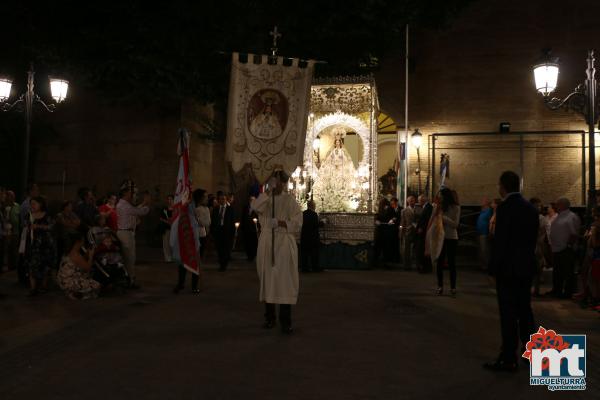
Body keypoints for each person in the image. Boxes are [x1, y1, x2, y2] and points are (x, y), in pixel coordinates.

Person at [484, 171, 538, 372]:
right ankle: (531, 352)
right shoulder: (530, 209)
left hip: (508, 269)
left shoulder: (505, 208)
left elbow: (501, 242)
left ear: (503, 186)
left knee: (508, 313)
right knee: (525, 310)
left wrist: (493, 269)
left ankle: (508, 357)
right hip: (526, 267)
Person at [251, 170, 302, 334]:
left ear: (284, 182)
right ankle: (269, 318)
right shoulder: (266, 199)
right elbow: (255, 207)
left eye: (278, 181)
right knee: (269, 281)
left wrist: (280, 222)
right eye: (273, 181)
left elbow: (297, 222)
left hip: (283, 245)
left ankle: (285, 321)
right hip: (267, 242)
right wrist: (267, 192)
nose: (276, 184)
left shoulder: (290, 200)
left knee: (284, 282)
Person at [116, 186, 150, 289]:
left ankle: (129, 279)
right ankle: (130, 281)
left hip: (126, 233)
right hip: (126, 234)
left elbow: (134, 210)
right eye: (131, 193)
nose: (133, 196)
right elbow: (140, 212)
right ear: (125, 194)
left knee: (130, 257)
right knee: (129, 258)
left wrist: (143, 203)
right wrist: (147, 203)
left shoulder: (124, 204)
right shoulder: (124, 205)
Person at [547, 197, 581, 298]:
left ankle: (567, 293)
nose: (555, 206)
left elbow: (574, 234)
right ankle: (556, 291)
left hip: (566, 249)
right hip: (558, 248)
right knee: (557, 272)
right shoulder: (560, 215)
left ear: (563, 205)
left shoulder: (571, 217)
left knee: (567, 272)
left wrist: (568, 246)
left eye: (557, 204)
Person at [22, 196, 56, 296]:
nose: (32, 205)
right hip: (33, 244)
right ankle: (33, 288)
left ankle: (43, 286)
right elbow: (25, 227)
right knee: (32, 265)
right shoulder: (28, 215)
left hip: (46, 244)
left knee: (45, 265)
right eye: (31, 204)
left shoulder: (48, 215)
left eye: (34, 203)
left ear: (41, 204)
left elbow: (52, 226)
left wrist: (39, 227)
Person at [57, 231, 101, 300]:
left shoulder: (70, 251)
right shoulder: (75, 254)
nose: (83, 242)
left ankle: (75, 292)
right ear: (78, 242)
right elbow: (87, 267)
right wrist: (91, 256)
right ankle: (77, 294)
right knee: (96, 285)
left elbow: (80, 262)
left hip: (64, 280)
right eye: (82, 240)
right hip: (70, 282)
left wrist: (87, 254)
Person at [434, 188, 460, 296]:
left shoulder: (456, 207)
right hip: (441, 237)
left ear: (446, 197)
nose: (440, 198)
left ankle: (453, 287)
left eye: (441, 196)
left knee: (452, 263)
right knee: (439, 263)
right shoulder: (439, 207)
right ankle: (440, 286)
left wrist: (443, 218)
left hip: (451, 238)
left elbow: (455, 224)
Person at [211, 192, 235, 271]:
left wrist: (233, 233)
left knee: (226, 249)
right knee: (219, 249)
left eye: (224, 199)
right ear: (218, 200)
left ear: (226, 200)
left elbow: (233, 222)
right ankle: (221, 263)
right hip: (218, 231)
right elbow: (213, 221)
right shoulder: (216, 209)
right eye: (221, 199)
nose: (223, 200)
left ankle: (224, 265)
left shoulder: (230, 209)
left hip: (227, 232)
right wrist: (213, 231)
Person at [529, 198, 549, 297]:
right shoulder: (529, 217)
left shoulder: (542, 218)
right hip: (530, 245)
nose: (539, 207)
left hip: (538, 245)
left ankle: (536, 289)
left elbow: (545, 232)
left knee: (537, 268)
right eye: (537, 205)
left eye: (540, 206)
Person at [55, 201, 81, 267]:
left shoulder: (73, 214)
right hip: (63, 236)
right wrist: (72, 223)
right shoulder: (60, 214)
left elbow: (78, 223)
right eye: (69, 206)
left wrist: (70, 223)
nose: (71, 207)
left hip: (73, 234)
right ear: (65, 207)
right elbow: (64, 223)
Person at [300, 200, 321, 273]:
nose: (315, 206)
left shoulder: (303, 213)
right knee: (314, 254)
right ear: (312, 206)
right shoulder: (314, 214)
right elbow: (315, 225)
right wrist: (322, 223)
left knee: (304, 254)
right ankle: (315, 267)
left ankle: (304, 268)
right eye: (314, 205)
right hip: (312, 237)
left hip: (304, 236)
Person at [415, 194, 433, 273]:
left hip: (424, 232)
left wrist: (422, 228)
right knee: (422, 250)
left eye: (419, 200)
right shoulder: (426, 207)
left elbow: (428, 220)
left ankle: (425, 268)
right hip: (423, 231)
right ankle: (425, 267)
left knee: (422, 250)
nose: (418, 202)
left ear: (423, 200)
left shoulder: (428, 207)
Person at [3, 190, 20, 271]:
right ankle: (5, 265)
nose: (13, 197)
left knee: (14, 249)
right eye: (10, 196)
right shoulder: (3, 206)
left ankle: (13, 266)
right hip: (5, 232)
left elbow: (20, 218)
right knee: (6, 249)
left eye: (13, 196)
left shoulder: (17, 206)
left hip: (15, 232)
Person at [401, 196, 417, 270]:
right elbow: (403, 222)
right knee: (406, 250)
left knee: (416, 249)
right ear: (408, 202)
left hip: (416, 232)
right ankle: (406, 265)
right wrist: (402, 232)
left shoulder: (418, 209)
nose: (412, 202)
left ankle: (417, 264)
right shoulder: (404, 211)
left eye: (413, 200)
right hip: (408, 231)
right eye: (410, 201)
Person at [476, 198, 493, 271]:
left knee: (484, 250)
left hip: (484, 233)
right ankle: (482, 265)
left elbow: (490, 221)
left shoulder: (489, 211)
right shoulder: (483, 211)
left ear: (487, 203)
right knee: (480, 250)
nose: (481, 202)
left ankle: (486, 266)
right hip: (479, 232)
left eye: (483, 201)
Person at [241, 196, 259, 262]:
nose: (252, 201)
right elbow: (243, 217)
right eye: (251, 200)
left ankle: (253, 255)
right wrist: (242, 227)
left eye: (253, 200)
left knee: (253, 243)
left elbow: (259, 218)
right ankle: (249, 256)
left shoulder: (257, 209)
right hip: (246, 228)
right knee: (247, 243)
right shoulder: (245, 208)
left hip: (254, 229)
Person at [159, 195, 175, 263]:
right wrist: (167, 221)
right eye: (168, 199)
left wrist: (172, 221)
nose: (169, 201)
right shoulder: (164, 209)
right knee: (166, 243)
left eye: (170, 199)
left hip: (174, 229)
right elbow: (161, 218)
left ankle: (174, 257)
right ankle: (167, 258)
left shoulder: (176, 208)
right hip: (166, 228)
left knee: (173, 244)